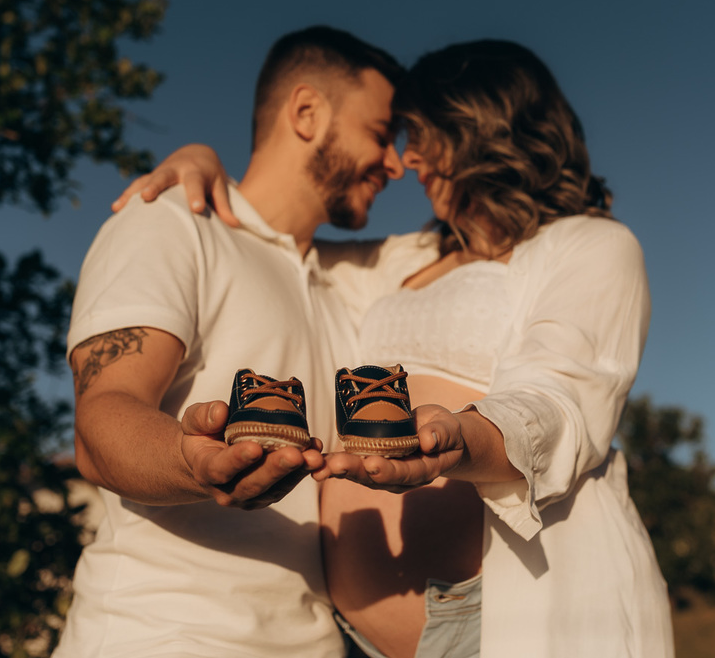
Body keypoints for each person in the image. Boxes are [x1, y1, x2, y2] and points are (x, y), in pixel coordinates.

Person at [123, 40, 674, 657]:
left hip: (491, 615)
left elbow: (562, 394)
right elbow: (270, 235)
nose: (407, 160)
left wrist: (461, 440)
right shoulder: (402, 261)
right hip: (352, 640)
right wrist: (204, 165)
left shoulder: (588, 244)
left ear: (480, 125)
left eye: (421, 134)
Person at [54, 26, 418, 658]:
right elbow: (100, 421)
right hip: (161, 639)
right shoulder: (169, 220)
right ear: (306, 112)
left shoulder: (353, 281)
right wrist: (195, 463)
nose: (396, 163)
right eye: (382, 134)